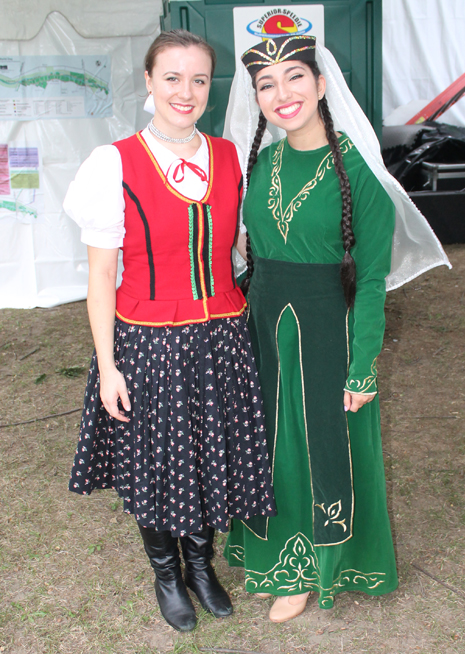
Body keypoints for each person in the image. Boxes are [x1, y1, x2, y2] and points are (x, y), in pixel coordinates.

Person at [223, 34, 450, 623]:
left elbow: (372, 280)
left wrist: (362, 364)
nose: (282, 94)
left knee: (317, 447)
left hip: (329, 331)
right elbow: (247, 254)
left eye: (295, 77)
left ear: (321, 85)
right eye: (266, 85)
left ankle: (309, 567)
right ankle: (270, 549)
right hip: (263, 328)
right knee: (269, 442)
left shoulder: (359, 172)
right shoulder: (262, 162)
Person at [64, 29, 276, 633]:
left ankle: (202, 567)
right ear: (151, 83)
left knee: (210, 456)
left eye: (200, 79)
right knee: (157, 464)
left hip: (220, 337)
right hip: (148, 340)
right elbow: (102, 275)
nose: (186, 92)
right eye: (173, 78)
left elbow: (239, 249)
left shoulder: (230, 157)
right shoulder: (114, 163)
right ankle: (166, 572)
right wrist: (107, 366)